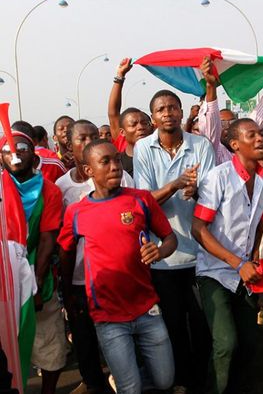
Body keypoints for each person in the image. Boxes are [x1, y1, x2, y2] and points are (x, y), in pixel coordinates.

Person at [59, 140, 177, 394]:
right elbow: (65, 253)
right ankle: (126, 381)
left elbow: (170, 239)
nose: (115, 166)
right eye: (105, 162)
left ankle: (130, 378)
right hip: (108, 317)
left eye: (117, 160)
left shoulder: (141, 199)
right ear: (89, 170)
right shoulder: (77, 212)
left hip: (147, 309)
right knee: (130, 388)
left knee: (165, 381)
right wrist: (67, 293)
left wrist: (159, 251)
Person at [134, 90, 215, 393]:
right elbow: (144, 201)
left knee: (203, 324)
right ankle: (182, 381)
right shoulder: (143, 147)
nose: (167, 113)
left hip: (200, 253)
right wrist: (176, 184)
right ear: (153, 117)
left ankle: (202, 381)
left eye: (172, 107)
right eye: (161, 109)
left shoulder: (201, 145)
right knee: (174, 326)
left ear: (182, 112)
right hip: (163, 257)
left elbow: (212, 193)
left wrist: (197, 191)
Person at [191, 118, 263, 393]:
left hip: (246, 274)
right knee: (225, 343)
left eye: (260, 134)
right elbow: (198, 228)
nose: (260, 138)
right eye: (252, 135)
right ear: (235, 144)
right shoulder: (219, 177)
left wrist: (256, 260)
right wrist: (238, 263)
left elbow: (262, 226)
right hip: (215, 271)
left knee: (249, 344)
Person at [55, 120, 133, 394]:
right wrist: (66, 286)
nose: (89, 142)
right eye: (82, 139)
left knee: (120, 334)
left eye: (93, 136)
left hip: (115, 275)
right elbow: (63, 242)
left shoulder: (118, 177)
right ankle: (93, 383)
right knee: (84, 336)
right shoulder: (62, 186)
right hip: (80, 277)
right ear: (70, 146)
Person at [1, 129, 67, 394]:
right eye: (7, 151)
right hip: (3, 278)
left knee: (49, 342)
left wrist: (36, 282)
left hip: (37, 273)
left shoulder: (49, 190)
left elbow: (48, 238)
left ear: (34, 157)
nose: (15, 156)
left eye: (21, 149)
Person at [197, 52, 263, 164]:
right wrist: (211, 86)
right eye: (223, 123)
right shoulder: (213, 149)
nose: (228, 127)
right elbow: (211, 117)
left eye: (232, 122)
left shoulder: (244, 149)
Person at [107, 58, 154, 175]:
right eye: (133, 124)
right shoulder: (118, 158)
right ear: (122, 132)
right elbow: (113, 113)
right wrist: (120, 76)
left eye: (145, 123)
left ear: (152, 128)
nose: (140, 127)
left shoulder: (162, 154)